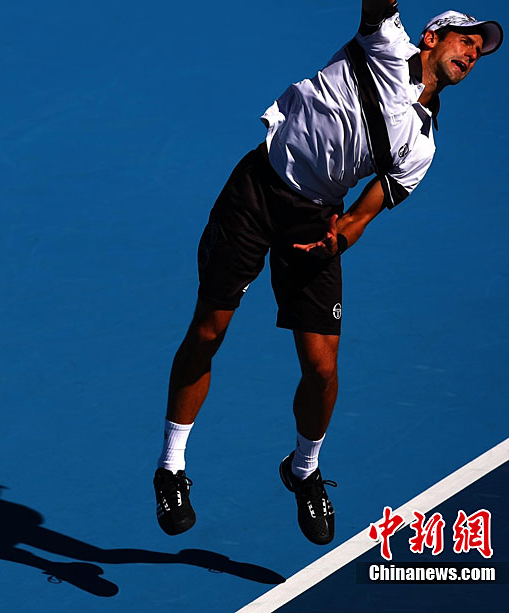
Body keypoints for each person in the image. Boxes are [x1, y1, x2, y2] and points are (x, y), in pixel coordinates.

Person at [152, 1, 503, 545]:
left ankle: (303, 469)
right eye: (465, 40)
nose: (472, 53)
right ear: (432, 38)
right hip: (256, 191)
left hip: (316, 221)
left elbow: (361, 216)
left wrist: (335, 240)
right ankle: (171, 467)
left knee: (321, 368)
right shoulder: (386, 43)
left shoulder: (421, 145)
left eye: (479, 50)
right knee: (208, 330)